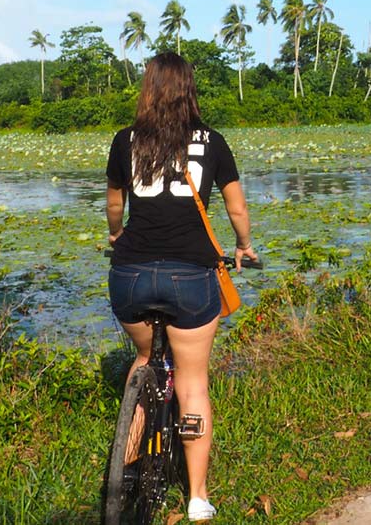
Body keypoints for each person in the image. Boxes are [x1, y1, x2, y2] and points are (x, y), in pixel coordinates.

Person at [106, 51, 258, 521]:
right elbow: (235, 209)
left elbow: (115, 206)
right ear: (190, 89)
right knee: (192, 383)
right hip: (191, 275)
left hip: (129, 275)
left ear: (147, 88)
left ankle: (121, 474)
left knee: (143, 361)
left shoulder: (124, 141)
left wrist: (116, 234)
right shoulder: (212, 142)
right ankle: (196, 498)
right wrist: (243, 246)